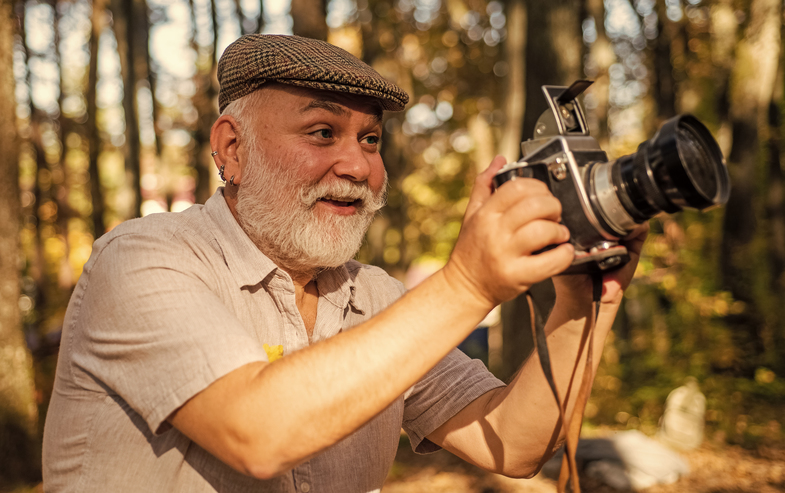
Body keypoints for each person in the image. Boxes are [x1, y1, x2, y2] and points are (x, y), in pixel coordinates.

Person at [42, 34, 647, 492]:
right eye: (323, 132)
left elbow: (514, 445)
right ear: (232, 148)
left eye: (370, 139)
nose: (359, 166)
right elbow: (258, 431)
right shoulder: (143, 260)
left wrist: (582, 303)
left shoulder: (376, 298)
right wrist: (467, 282)